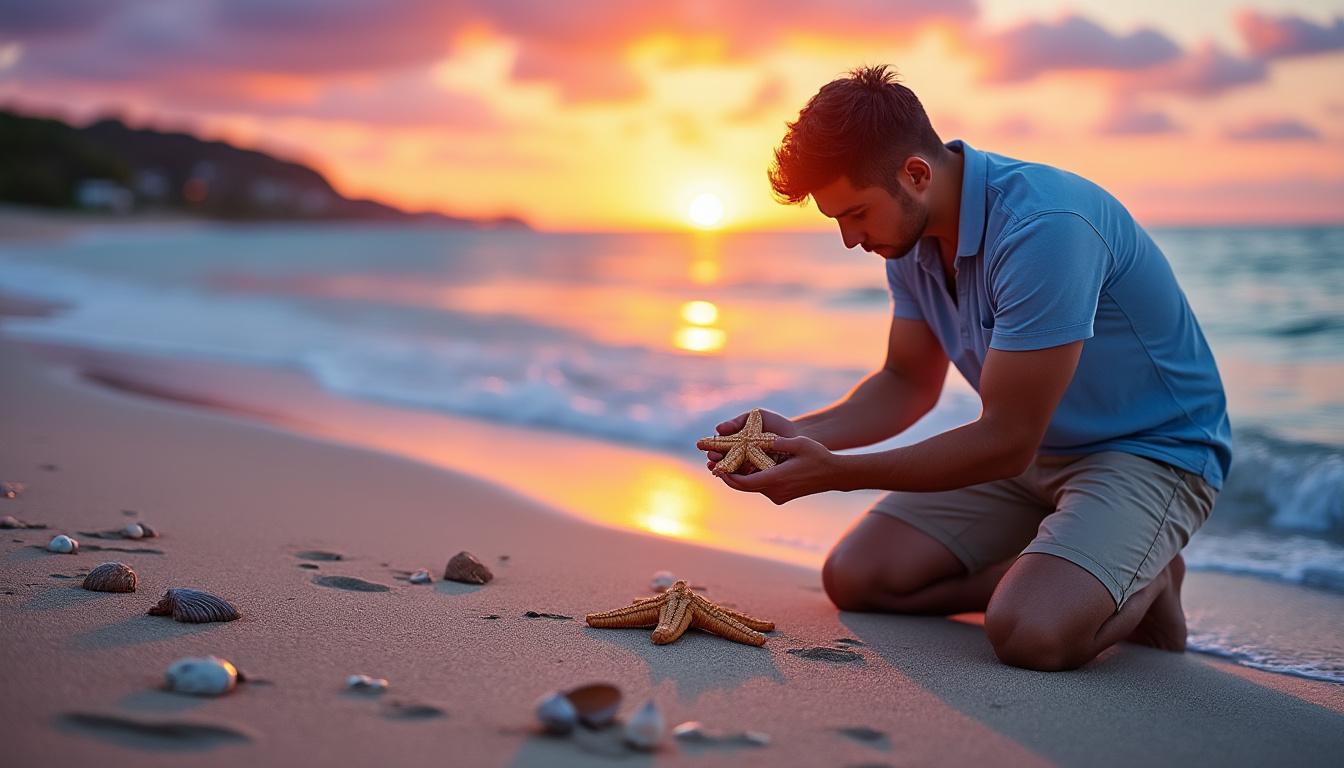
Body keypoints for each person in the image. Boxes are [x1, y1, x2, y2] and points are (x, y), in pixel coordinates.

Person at [702, 65, 1232, 672]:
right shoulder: (909, 235)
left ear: (916, 174)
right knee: (857, 576)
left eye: (857, 213)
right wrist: (798, 435)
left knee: (1031, 634)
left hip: (1150, 451)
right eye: (837, 220)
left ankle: (1145, 575)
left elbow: (1005, 440)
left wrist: (840, 474)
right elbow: (906, 384)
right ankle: (1063, 568)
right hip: (1034, 453)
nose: (850, 238)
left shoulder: (1043, 230)